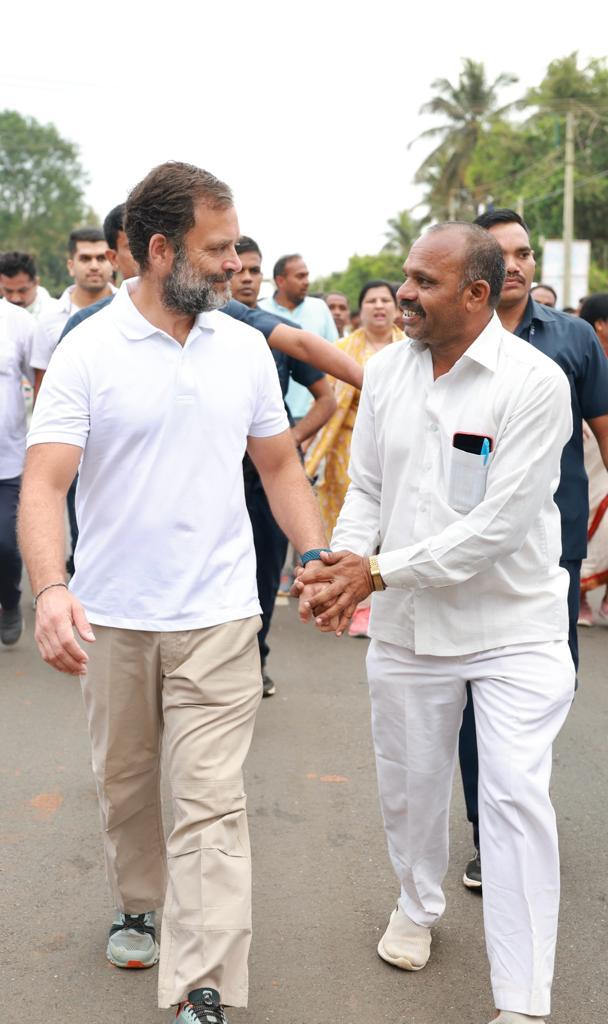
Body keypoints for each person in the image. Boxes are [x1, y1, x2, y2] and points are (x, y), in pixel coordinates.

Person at [18, 160, 329, 1024]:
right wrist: (51, 588)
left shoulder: (242, 349)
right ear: (160, 251)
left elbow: (277, 465)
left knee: (210, 804)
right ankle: (137, 899)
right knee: (125, 785)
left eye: (237, 248)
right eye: (218, 249)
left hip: (222, 617)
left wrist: (313, 552)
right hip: (113, 618)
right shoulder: (89, 350)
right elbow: (44, 485)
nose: (235, 265)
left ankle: (204, 986)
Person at [298, 222, 574, 1024]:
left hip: (514, 628)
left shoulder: (533, 383)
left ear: (477, 296)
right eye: (405, 279)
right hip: (411, 628)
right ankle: (417, 905)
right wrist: (340, 568)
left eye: (423, 282)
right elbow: (371, 491)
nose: (404, 295)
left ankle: (522, 1002)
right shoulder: (385, 373)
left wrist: (373, 572)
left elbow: (496, 526)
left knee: (515, 798)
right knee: (411, 786)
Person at [458, 209, 608, 889]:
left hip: (552, 553)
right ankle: (490, 839)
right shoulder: (451, 336)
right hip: (463, 553)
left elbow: (604, 432)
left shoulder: (574, 339)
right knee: (469, 697)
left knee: (544, 690)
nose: (515, 264)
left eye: (523, 252)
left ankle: (521, 817)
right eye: (501, 253)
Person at [232, 235, 336, 696]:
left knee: (263, 569)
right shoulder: (196, 326)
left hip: (268, 476)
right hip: (213, 477)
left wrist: (289, 438)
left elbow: (326, 399)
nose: (247, 278)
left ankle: (256, 658)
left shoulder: (273, 332)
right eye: (240, 269)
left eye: (255, 270)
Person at [305, 280, 404, 637]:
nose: (379, 306)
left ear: (395, 308)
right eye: (371, 301)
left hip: (396, 446)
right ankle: (348, 601)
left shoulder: (410, 349)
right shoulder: (342, 349)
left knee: (391, 527)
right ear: (360, 310)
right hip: (344, 445)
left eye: (385, 300)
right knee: (348, 525)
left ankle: (380, 602)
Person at [30, 227, 115, 398]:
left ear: (113, 262)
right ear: (71, 266)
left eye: (101, 258)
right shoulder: (49, 318)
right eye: (85, 258)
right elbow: (42, 383)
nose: (94, 266)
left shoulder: (133, 308)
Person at [259, 253, 338, 419]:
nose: (306, 281)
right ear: (280, 281)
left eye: (307, 275)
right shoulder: (259, 311)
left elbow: (334, 355)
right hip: (272, 415)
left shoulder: (320, 308)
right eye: (300, 276)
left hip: (316, 412)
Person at [0, 299, 35, 645]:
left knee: (6, 547)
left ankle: (9, 601)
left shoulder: (16, 321)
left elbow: (40, 380)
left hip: (7, 463)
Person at [577, 294, 608, 625]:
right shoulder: (585, 355)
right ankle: (581, 595)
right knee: (586, 519)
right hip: (585, 450)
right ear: (600, 324)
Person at [0, 251, 55, 319]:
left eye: (22, 290)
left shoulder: (58, 316)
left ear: (36, 282)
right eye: (9, 291)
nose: (15, 299)